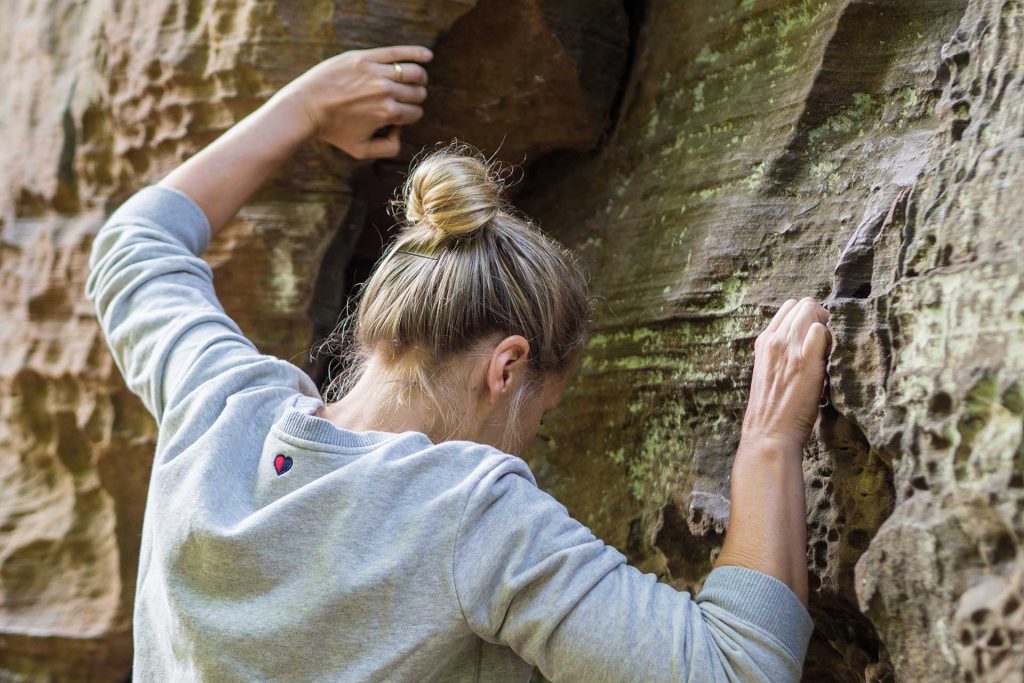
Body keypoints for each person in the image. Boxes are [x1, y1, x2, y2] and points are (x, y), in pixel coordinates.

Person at [85, 43, 830, 682]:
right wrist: (771, 441)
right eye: (540, 414)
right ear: (506, 367)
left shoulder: (219, 407)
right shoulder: (469, 513)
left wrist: (308, 106)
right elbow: (737, 668)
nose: (528, 441)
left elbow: (135, 246)